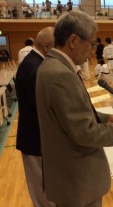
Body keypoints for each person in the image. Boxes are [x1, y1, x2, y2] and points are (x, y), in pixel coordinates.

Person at [35, 10, 113, 207]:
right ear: (74, 41)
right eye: (92, 43)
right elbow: (84, 132)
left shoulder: (51, 66)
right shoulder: (61, 74)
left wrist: (106, 118)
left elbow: (70, 116)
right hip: (77, 178)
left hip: (68, 174)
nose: (93, 51)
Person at [15, 27, 55, 207]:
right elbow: (43, 108)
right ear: (47, 46)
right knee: (42, 194)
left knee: (47, 189)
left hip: (38, 137)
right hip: (34, 138)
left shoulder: (35, 63)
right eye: (57, 44)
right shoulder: (34, 68)